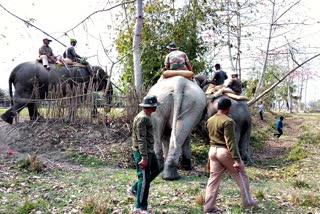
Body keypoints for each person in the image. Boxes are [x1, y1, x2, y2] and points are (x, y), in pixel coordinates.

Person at [204, 98, 258, 213]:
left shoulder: (210, 120)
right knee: (242, 175)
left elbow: (209, 138)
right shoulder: (228, 121)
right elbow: (231, 142)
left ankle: (209, 206)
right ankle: (248, 202)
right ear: (228, 108)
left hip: (213, 151)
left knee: (213, 179)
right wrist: (237, 160)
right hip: (224, 152)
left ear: (218, 107)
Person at [127, 95, 161, 214]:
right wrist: (144, 158)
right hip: (143, 152)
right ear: (152, 106)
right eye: (155, 105)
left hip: (149, 150)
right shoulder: (142, 118)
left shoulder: (146, 116)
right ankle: (140, 207)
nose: (157, 107)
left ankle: (134, 188)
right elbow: (141, 139)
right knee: (144, 179)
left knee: (156, 170)